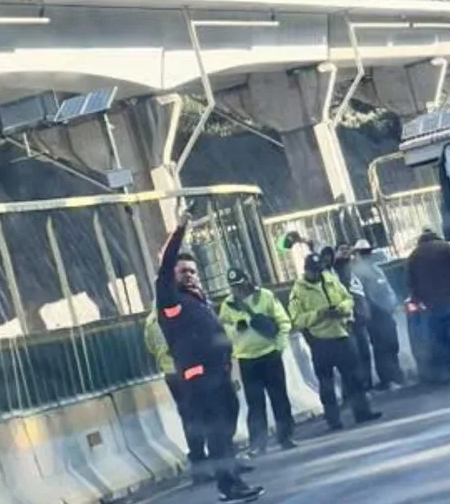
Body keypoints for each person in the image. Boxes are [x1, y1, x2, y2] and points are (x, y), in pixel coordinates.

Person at [154, 208, 263, 502]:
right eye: (182, 271)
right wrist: (179, 230)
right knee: (216, 428)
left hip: (220, 373)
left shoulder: (197, 301)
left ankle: (229, 474)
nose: (188, 276)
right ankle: (230, 485)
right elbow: (165, 266)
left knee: (227, 424)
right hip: (198, 377)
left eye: (192, 271)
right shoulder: (169, 300)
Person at [288, 253, 382, 430]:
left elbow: (348, 298)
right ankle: (334, 420)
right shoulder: (298, 291)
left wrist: (341, 309)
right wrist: (319, 314)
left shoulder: (330, 279)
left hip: (342, 335)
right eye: (313, 272)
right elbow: (297, 319)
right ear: (306, 271)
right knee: (326, 384)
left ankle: (362, 412)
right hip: (320, 341)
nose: (317, 275)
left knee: (354, 377)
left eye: (319, 271)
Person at [218, 267, 296, 456]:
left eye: (240, 284)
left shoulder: (265, 296)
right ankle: (258, 443)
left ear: (248, 280)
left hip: (270, 355)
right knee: (255, 403)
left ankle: (285, 436)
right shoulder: (228, 305)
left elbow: (283, 322)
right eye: (233, 286)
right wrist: (237, 329)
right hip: (247, 359)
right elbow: (222, 330)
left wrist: (279, 346)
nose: (237, 289)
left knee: (279, 397)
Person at [143, 307, 208, 470]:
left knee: (188, 416)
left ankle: (198, 458)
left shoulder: (151, 322)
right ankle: (217, 458)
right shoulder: (179, 314)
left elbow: (151, 347)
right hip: (190, 370)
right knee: (206, 411)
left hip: (171, 375)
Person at [405, 229, 450, 380]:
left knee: (437, 338)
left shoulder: (414, 255)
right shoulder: (445, 248)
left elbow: (410, 282)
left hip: (430, 304)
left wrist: (418, 299)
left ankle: (446, 370)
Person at [350, 239, 405, 389]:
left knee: (391, 343)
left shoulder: (375, 269)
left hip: (386, 312)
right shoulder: (356, 273)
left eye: (367, 252)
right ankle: (388, 378)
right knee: (381, 347)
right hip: (374, 315)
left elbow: (387, 289)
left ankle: (395, 375)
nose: (366, 256)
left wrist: (393, 304)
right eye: (363, 253)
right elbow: (361, 296)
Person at [331, 243, 374, 392]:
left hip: (361, 316)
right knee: (352, 356)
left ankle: (367, 384)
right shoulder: (335, 270)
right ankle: (355, 388)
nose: (345, 252)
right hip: (347, 320)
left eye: (347, 249)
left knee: (364, 352)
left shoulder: (356, 268)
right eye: (341, 250)